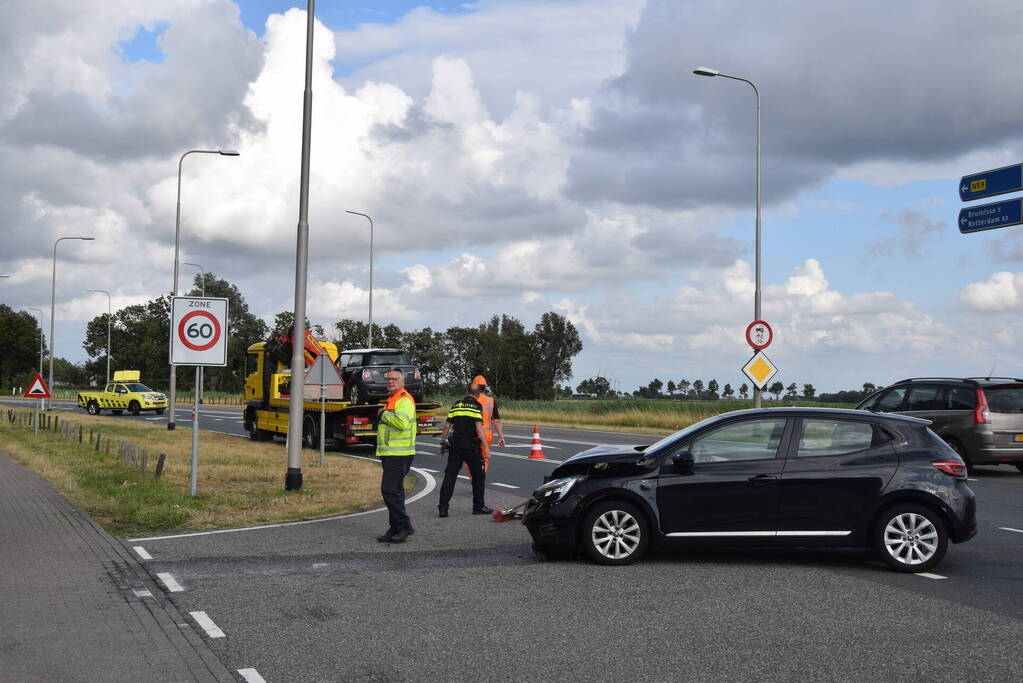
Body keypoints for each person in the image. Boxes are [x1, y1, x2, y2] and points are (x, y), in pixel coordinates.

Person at [375, 368, 418, 543]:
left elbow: (401, 423)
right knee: (396, 491)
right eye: (388, 379)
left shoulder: (404, 400)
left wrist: (383, 414)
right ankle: (395, 528)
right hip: (391, 453)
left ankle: (404, 526)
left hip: (399, 454)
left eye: (394, 379)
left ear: (402, 381)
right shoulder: (391, 399)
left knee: (389, 490)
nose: (390, 381)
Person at [438, 384, 491, 516]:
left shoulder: (456, 405)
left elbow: (447, 427)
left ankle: (443, 509)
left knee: (450, 477)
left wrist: (443, 443)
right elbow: (479, 428)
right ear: (478, 395)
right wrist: (486, 447)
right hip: (471, 448)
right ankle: (478, 507)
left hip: (455, 447)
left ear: (466, 392)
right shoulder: (477, 406)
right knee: (479, 476)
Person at [472, 375, 505, 472]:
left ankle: (474, 480)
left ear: (475, 386)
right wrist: (501, 437)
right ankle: (480, 479)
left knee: (470, 459)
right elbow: (496, 421)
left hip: (474, 434)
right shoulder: (491, 401)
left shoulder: (471, 399)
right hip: (487, 436)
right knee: (485, 459)